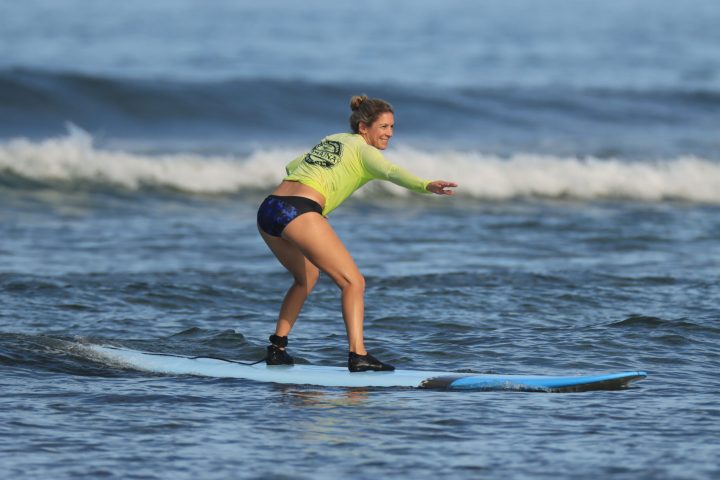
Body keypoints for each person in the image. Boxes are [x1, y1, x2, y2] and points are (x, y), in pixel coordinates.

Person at [256, 95, 457, 372]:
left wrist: (316, 192)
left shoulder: (332, 139)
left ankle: (277, 349)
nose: (389, 133)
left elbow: (293, 165)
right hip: (298, 211)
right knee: (353, 283)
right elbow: (391, 171)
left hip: (269, 208)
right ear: (364, 128)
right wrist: (426, 185)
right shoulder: (365, 151)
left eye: (392, 127)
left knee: (307, 278)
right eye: (383, 127)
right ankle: (358, 354)